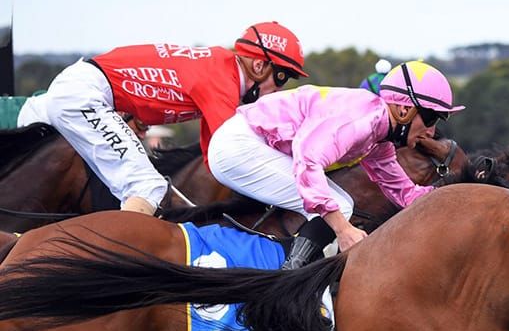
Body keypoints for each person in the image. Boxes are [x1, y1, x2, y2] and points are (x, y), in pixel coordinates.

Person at [17, 22, 307, 215]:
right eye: (282, 77)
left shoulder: (222, 71)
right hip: (85, 93)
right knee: (148, 188)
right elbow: (236, 152)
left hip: (79, 87)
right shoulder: (222, 79)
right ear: (259, 65)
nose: (279, 89)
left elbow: (213, 157)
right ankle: (110, 268)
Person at [206, 60, 463, 269]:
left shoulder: (379, 137)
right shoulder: (362, 119)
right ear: (403, 110)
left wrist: (456, 194)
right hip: (239, 146)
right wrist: (343, 231)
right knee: (340, 208)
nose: (431, 130)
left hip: (250, 145)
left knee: (341, 206)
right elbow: (308, 159)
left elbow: (404, 193)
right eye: (430, 117)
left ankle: (293, 271)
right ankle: (288, 280)